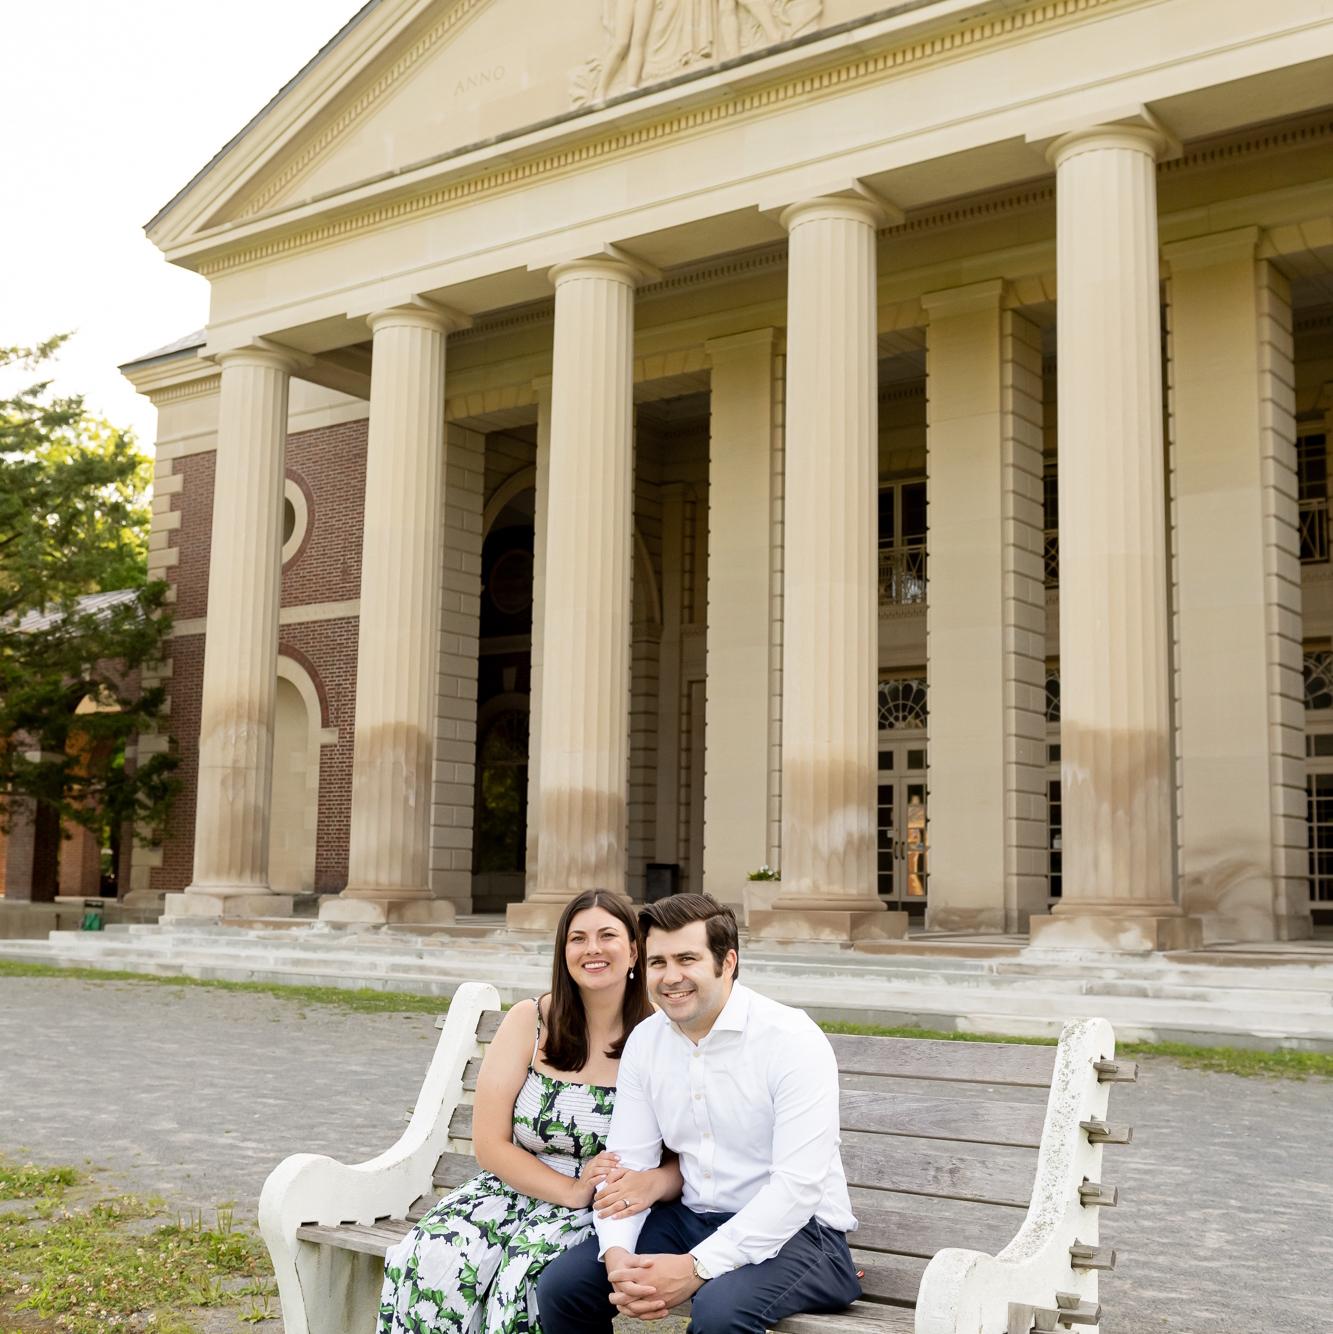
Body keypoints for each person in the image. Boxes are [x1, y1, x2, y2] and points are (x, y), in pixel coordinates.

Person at [537, 893, 862, 1334]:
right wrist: (617, 1257)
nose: (671, 977)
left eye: (687, 959)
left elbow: (796, 1189)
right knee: (566, 1286)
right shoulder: (646, 1041)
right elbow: (627, 1165)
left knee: (718, 1312)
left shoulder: (791, 1039)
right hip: (692, 1218)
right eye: (658, 962)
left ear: (727, 962)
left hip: (802, 1233)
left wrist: (696, 1266)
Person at [378, 889, 682, 1334]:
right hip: (516, 1188)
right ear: (563, 952)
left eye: (607, 936)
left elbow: (686, 1154)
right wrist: (570, 1189)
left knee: (526, 1276)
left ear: (634, 951)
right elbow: (490, 1143)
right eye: (578, 939)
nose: (592, 949)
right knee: (433, 1254)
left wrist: (609, 1191)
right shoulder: (531, 1020)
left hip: (606, 1206)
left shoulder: (664, 1034)